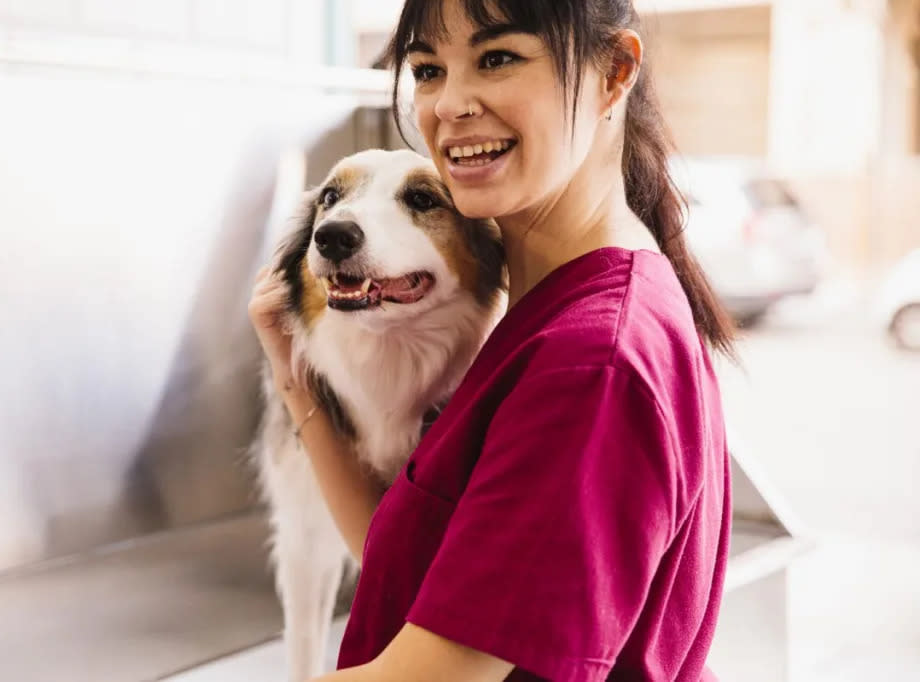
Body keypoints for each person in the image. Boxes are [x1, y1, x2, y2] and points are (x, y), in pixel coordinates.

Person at [249, 0, 734, 679]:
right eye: (426, 69)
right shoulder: (538, 318)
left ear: (615, 72)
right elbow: (412, 571)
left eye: (497, 58)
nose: (450, 104)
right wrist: (293, 372)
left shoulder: (590, 363)